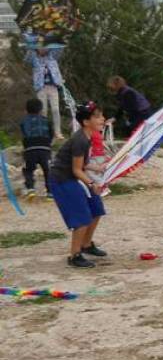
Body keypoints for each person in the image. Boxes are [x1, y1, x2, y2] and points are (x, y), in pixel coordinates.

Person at [49, 103, 110, 268]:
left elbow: (82, 164)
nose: (102, 119)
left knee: (96, 208)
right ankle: (74, 255)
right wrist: (91, 184)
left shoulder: (88, 137)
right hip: (62, 179)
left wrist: (98, 168)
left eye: (102, 115)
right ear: (85, 121)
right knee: (82, 217)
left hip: (73, 176)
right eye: (97, 116)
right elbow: (76, 170)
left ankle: (86, 245)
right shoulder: (80, 140)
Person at [24, 37, 65, 140]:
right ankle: (44, 132)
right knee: (43, 110)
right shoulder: (34, 58)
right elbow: (27, 57)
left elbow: (60, 48)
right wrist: (31, 44)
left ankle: (57, 132)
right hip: (41, 87)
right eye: (40, 48)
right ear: (36, 48)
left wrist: (59, 38)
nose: (43, 49)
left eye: (45, 47)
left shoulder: (52, 56)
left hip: (53, 85)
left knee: (55, 110)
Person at [20, 98, 53, 197]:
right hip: (45, 149)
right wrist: (48, 143)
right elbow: (51, 133)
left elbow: (24, 133)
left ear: (26, 110)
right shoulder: (46, 120)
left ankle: (30, 189)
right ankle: (50, 192)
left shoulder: (24, 121)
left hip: (30, 149)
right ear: (41, 109)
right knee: (48, 170)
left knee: (28, 169)